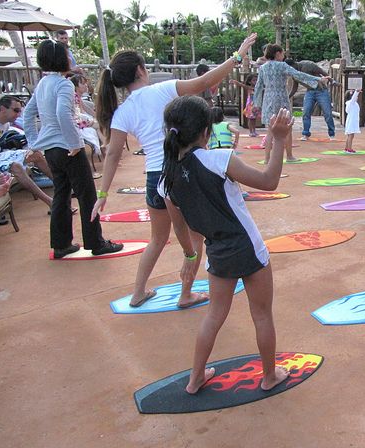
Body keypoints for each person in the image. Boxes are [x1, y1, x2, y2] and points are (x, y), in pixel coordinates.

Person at [92, 33, 257, 308]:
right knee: (195, 240)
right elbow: (206, 82)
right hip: (182, 174)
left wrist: (103, 193)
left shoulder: (122, 112)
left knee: (156, 240)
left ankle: (138, 293)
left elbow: (112, 154)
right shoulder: (163, 90)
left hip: (154, 179)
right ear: (141, 70)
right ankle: (185, 294)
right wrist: (238, 56)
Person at [158, 98, 293, 394]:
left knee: (214, 316)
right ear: (206, 132)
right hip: (248, 247)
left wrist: (191, 255)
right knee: (261, 314)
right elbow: (269, 181)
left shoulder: (165, 180)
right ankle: (269, 376)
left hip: (217, 251)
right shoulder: (219, 160)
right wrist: (279, 140)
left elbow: (183, 227)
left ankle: (195, 379)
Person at [23, 40, 122, 258]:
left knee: (61, 193)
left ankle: (61, 244)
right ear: (61, 59)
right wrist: (75, 145)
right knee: (87, 195)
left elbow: (28, 114)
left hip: (51, 150)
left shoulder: (42, 84)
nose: (71, 59)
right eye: (68, 55)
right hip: (68, 149)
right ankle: (96, 243)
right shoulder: (63, 84)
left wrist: (34, 143)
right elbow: (63, 114)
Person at [253, 44, 328, 163]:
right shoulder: (282, 65)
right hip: (282, 97)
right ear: (277, 53)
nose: (283, 56)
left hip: (268, 98)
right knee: (288, 127)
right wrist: (317, 79)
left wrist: (256, 103)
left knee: (270, 130)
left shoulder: (263, 68)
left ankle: (267, 159)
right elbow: (298, 75)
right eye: (282, 53)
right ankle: (289, 156)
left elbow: (258, 86)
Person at [0, 95, 54, 209]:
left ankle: (63, 188)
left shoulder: (6, 124)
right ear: (3, 109)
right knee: (15, 166)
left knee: (35, 154)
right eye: (16, 110)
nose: (18, 114)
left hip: (1, 154)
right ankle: (51, 203)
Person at [285, 58, 335, 141]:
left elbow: (323, 72)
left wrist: (331, 80)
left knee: (327, 113)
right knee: (306, 112)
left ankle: (332, 134)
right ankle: (306, 134)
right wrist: (288, 96)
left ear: (294, 64)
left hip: (321, 90)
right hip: (309, 91)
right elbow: (295, 87)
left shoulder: (308, 65)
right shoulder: (293, 74)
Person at [67, 73, 106, 177]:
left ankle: (105, 148)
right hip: (77, 122)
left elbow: (84, 110)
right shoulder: (73, 96)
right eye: (82, 84)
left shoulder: (77, 96)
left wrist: (97, 116)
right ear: (75, 86)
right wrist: (91, 120)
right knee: (98, 126)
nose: (86, 85)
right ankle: (105, 147)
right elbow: (77, 113)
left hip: (80, 119)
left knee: (100, 124)